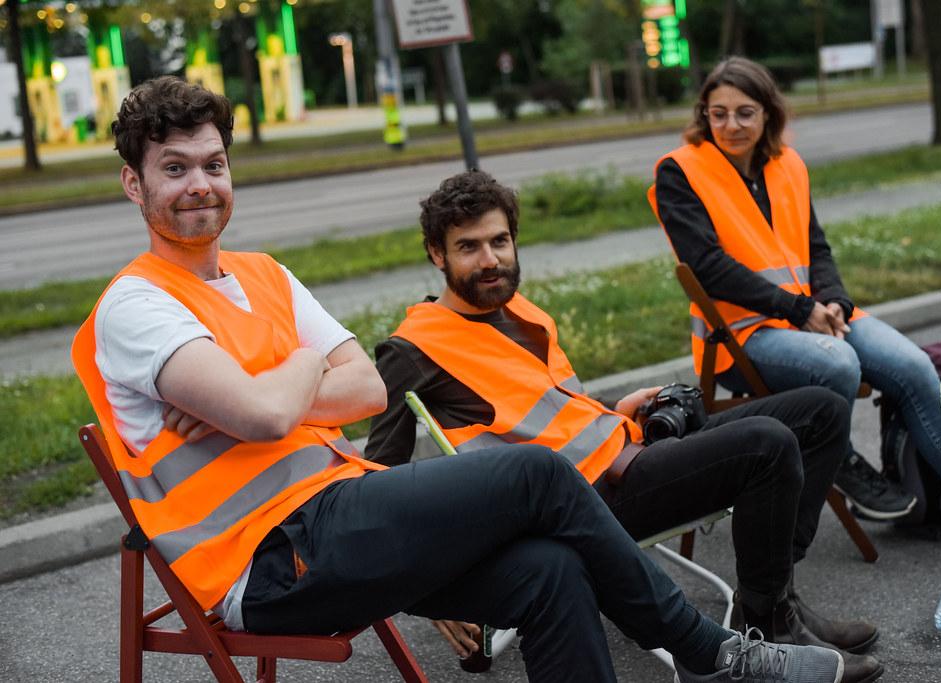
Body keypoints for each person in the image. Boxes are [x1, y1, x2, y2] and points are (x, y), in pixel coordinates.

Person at [68, 76, 844, 683]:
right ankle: (707, 650)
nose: (201, 183)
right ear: (135, 185)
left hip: (342, 513)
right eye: (174, 169)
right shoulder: (136, 305)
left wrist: (261, 388)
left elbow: (366, 389)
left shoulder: (262, 273)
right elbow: (268, 416)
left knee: (553, 571)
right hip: (272, 557)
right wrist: (291, 373)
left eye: (213, 163)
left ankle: (710, 650)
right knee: (538, 473)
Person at [366, 170, 883, 683]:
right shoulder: (413, 347)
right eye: (468, 247)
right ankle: (768, 624)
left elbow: (545, 405)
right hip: (586, 501)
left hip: (629, 449)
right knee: (766, 445)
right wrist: (435, 589)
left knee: (821, 409)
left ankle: (774, 598)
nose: (490, 260)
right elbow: (378, 482)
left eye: (499, 241)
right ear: (437, 254)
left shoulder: (519, 310)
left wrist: (615, 406)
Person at [649, 56, 941, 587]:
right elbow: (709, 268)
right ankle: (840, 460)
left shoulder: (788, 164)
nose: (731, 125)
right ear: (703, 115)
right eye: (718, 113)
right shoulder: (679, 171)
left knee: (916, 368)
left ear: (768, 113)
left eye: (745, 113)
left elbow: (816, 248)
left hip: (815, 318)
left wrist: (835, 303)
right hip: (742, 337)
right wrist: (800, 311)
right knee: (840, 364)